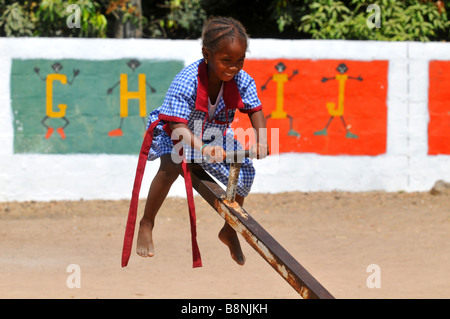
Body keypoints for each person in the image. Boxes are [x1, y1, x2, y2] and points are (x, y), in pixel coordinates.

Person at [122, 16, 268, 268]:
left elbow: (255, 109)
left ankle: (229, 229)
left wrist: (262, 139)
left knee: (245, 174)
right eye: (226, 60)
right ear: (207, 54)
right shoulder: (187, 80)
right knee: (173, 166)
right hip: (174, 132)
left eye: (239, 60)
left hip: (212, 134)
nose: (233, 67)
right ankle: (147, 222)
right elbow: (177, 127)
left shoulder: (242, 80)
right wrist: (203, 149)